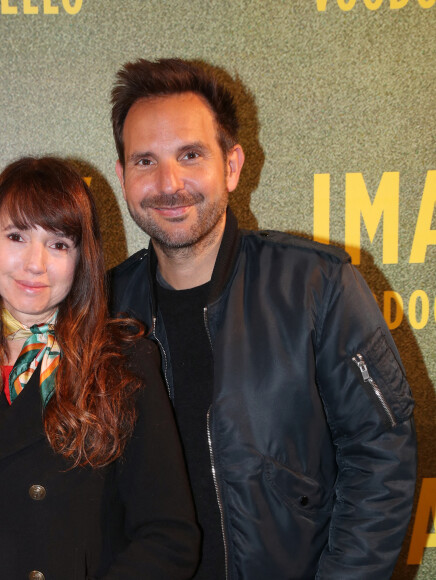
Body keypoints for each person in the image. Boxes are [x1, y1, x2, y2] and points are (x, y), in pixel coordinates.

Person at [108, 58, 417, 579]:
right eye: (145, 161)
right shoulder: (102, 309)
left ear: (231, 166)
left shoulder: (317, 285)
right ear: (122, 177)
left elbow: (381, 458)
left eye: (190, 155)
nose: (169, 182)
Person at [0, 156, 200, 580]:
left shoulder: (122, 365)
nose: (36, 264)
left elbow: (169, 537)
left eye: (58, 244)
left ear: (81, 259)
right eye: (16, 236)